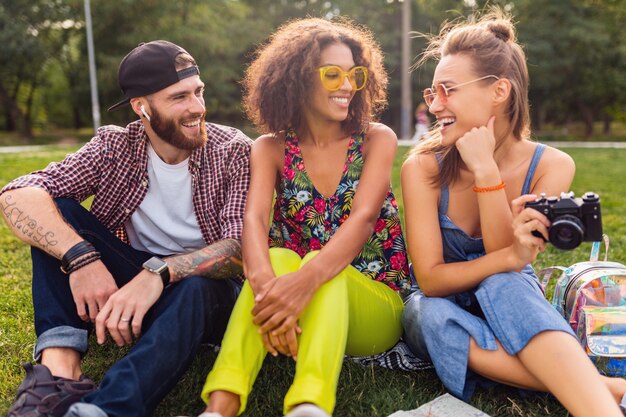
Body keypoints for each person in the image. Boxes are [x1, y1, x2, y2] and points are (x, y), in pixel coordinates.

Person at [1, 40, 252, 417]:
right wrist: (81, 258)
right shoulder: (115, 146)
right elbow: (18, 195)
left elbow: (240, 250)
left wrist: (161, 273)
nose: (197, 107)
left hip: (207, 292)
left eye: (198, 92)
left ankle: (106, 410)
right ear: (142, 107)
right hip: (130, 286)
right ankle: (58, 372)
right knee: (57, 214)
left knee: (200, 287)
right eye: (179, 97)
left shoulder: (233, 150)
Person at [400, 9, 626, 416]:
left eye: (447, 90)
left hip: (513, 300)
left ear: (499, 91)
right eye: (432, 93)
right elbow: (432, 280)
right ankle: (603, 389)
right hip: (445, 305)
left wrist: (486, 170)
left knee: (502, 283)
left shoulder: (552, 165)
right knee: (423, 312)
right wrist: (509, 257)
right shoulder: (422, 168)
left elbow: (508, 265)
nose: (435, 106)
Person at [186, 18, 411, 417]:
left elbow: (361, 220)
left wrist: (302, 285)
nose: (346, 85)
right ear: (295, 79)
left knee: (322, 266)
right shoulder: (270, 148)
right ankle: (220, 406)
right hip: (293, 296)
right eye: (332, 73)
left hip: (375, 307)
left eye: (354, 75)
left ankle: (309, 405)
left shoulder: (377, 138)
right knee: (275, 258)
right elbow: (253, 221)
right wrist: (269, 291)